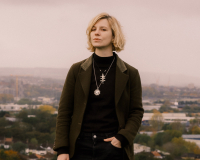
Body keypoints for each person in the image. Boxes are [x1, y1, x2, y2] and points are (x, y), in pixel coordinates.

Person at [53, 12, 144, 160]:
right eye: (93, 29)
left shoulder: (130, 73)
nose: (96, 33)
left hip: (113, 148)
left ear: (114, 36)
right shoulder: (76, 70)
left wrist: (122, 138)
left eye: (103, 29)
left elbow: (136, 111)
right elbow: (64, 111)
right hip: (80, 147)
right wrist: (62, 149)